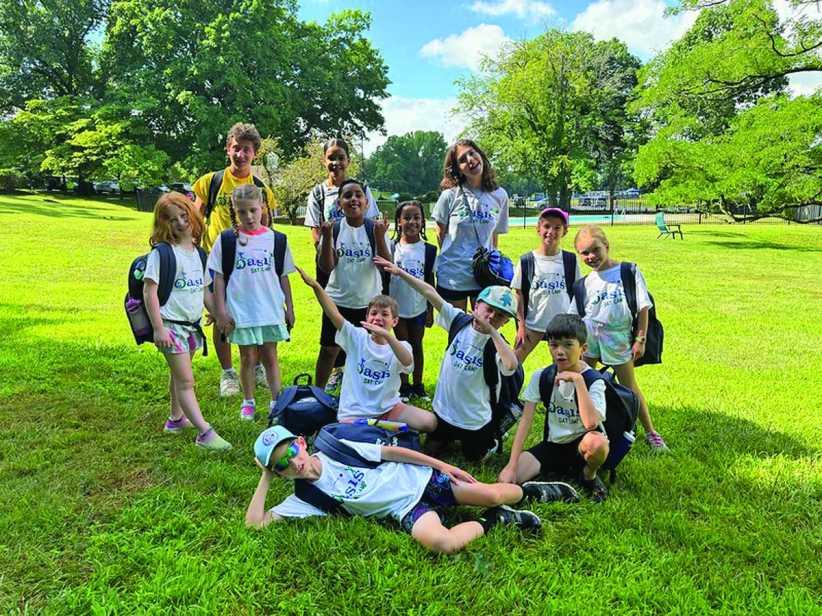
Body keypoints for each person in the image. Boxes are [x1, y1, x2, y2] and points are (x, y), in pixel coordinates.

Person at [246, 425, 579, 554]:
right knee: (442, 543)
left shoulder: (334, 449)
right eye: (280, 466)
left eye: (291, 453)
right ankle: (499, 521)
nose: (292, 464)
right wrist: (265, 477)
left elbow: (392, 452)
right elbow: (254, 524)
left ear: (301, 443)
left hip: (420, 479)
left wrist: (441, 466)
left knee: (492, 493)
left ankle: (530, 492)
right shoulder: (304, 499)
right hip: (405, 510)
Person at [375, 256, 518, 461]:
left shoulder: (498, 345)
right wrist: (400, 273)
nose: (491, 317)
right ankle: (447, 436)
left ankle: (491, 439)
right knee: (431, 449)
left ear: (505, 322)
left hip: (474, 420)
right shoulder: (459, 321)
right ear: (476, 306)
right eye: (489, 309)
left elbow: (511, 365)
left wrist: (492, 333)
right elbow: (430, 293)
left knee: (475, 457)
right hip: (444, 412)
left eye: (500, 316)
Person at [192, 122, 276, 397]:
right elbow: (195, 218)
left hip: (251, 263)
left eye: (247, 150)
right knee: (220, 315)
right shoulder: (211, 182)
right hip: (218, 260)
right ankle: (228, 372)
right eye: (236, 148)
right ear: (228, 148)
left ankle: (259, 367)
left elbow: (269, 229)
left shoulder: (262, 188)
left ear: (255, 154)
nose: (240, 154)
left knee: (257, 311)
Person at [142, 192, 231, 451]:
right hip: (170, 327)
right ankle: (205, 433)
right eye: (172, 220)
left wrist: (217, 312)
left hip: (191, 328)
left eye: (184, 216)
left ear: (193, 216)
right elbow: (150, 291)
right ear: (162, 224)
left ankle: (176, 419)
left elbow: (205, 290)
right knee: (186, 381)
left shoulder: (198, 254)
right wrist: (158, 328)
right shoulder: (162, 254)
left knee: (178, 375)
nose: (180, 223)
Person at [297, 267, 436, 432]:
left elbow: (407, 362)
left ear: (395, 321)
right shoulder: (356, 337)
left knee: (430, 422)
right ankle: (378, 428)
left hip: (388, 410)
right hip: (355, 414)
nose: (378, 318)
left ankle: (381, 427)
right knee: (363, 439)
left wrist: (388, 336)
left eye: (385, 315)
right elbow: (333, 313)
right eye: (374, 313)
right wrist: (316, 286)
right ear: (367, 317)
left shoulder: (401, 346)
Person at [570, 225, 668, 451]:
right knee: (586, 382)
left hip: (618, 338)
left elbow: (643, 307)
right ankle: (584, 428)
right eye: (584, 253)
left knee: (630, 385)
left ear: (606, 246)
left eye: (595, 249)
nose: (591, 256)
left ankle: (651, 432)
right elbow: (574, 315)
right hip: (590, 339)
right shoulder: (583, 283)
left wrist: (640, 339)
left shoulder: (628, 271)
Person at [499, 314, 610, 501]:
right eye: (554, 345)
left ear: (583, 348)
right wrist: (512, 464)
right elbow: (525, 421)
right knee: (505, 480)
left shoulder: (594, 381)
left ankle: (588, 475)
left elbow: (591, 423)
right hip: (552, 446)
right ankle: (543, 488)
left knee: (598, 444)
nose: (560, 351)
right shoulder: (542, 376)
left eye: (568, 345)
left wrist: (578, 380)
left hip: (581, 446)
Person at [208, 184, 296, 421]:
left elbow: (283, 276)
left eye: (253, 210)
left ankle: (276, 402)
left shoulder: (277, 240)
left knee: (270, 356)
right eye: (242, 212)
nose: (249, 217)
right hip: (241, 311)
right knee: (247, 357)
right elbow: (218, 277)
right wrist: (221, 312)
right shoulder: (226, 240)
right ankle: (248, 402)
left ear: (263, 207)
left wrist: (290, 307)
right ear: (234, 212)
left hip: (270, 309)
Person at [304, 138, 381, 391]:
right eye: (331, 157)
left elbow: (376, 238)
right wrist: (327, 244)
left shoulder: (364, 191)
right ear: (324, 160)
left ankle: (358, 383)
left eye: (340, 157)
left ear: (348, 160)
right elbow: (316, 231)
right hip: (332, 264)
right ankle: (321, 390)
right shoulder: (318, 193)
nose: (335, 162)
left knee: (363, 343)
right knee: (330, 343)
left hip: (365, 289)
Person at [314, 179, 391, 388]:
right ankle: (317, 394)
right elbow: (326, 267)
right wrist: (327, 236)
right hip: (337, 302)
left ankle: (366, 391)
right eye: (347, 196)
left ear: (366, 202)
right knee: (329, 350)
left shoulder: (374, 229)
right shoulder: (335, 229)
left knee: (368, 350)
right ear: (339, 203)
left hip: (368, 304)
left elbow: (386, 266)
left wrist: (380, 237)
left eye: (358, 195)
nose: (353, 199)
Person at [431, 139, 509, 311]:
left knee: (482, 331)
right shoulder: (449, 196)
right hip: (453, 276)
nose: (470, 160)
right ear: (457, 169)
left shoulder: (500, 195)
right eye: (462, 159)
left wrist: (491, 266)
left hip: (483, 276)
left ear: (480, 154)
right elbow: (440, 233)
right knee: (457, 331)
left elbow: (494, 237)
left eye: (472, 153)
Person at [511, 207, 580, 363]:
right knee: (512, 362)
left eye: (557, 228)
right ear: (538, 229)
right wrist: (521, 326)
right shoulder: (527, 260)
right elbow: (518, 294)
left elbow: (577, 293)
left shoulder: (570, 260)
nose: (551, 232)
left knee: (565, 365)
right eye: (547, 226)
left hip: (562, 325)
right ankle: (504, 387)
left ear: (565, 231)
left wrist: (575, 324)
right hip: (533, 324)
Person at [386, 200, 437, 401]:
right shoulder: (391, 247)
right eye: (407, 218)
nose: (412, 222)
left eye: (417, 217)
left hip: (418, 307)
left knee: (417, 345)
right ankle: (404, 385)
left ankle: (418, 384)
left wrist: (431, 310)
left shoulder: (429, 250)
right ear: (398, 222)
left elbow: (430, 282)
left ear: (423, 221)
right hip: (397, 308)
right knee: (401, 345)